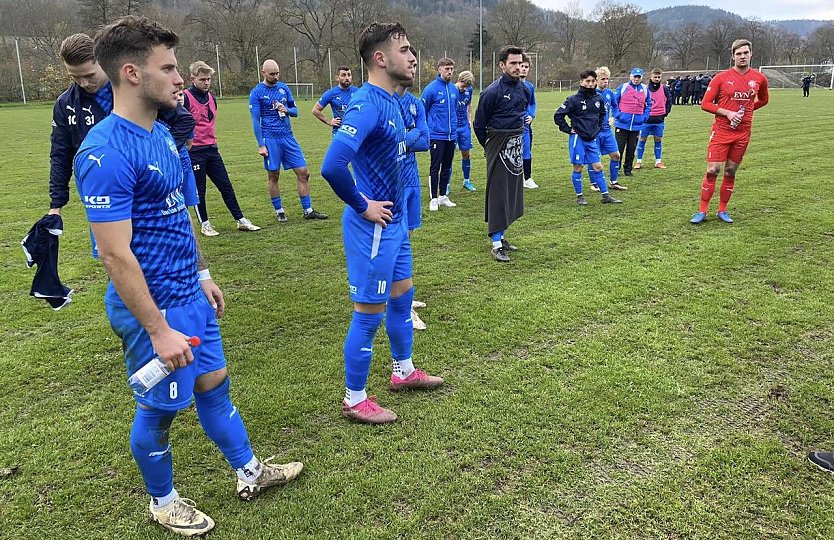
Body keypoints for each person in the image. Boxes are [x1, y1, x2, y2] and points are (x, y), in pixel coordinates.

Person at [73, 16, 302, 536]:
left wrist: (202, 272)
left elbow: (177, 214)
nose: (180, 78)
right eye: (169, 68)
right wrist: (157, 329)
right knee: (158, 411)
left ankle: (249, 472)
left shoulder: (159, 133)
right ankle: (163, 500)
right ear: (131, 73)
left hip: (188, 294)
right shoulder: (105, 149)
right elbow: (114, 256)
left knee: (215, 385)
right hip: (153, 308)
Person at [320, 21, 443, 424]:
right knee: (368, 313)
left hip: (395, 223)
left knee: (403, 296)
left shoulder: (393, 100)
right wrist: (363, 205)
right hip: (372, 226)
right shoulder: (367, 103)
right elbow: (333, 165)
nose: (411, 57)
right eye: (404, 49)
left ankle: (403, 371)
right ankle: (355, 399)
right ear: (380, 58)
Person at [690, 39, 769, 224]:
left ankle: (722, 210)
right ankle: (702, 211)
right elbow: (705, 104)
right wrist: (729, 113)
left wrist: (745, 113)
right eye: (738, 53)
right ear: (733, 56)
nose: (742, 56)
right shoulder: (721, 78)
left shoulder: (759, 78)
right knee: (713, 169)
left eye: (745, 53)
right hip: (721, 130)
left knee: (731, 170)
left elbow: (764, 100)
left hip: (742, 132)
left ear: (751, 54)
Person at [183, 61, 260, 236]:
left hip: (212, 149)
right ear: (192, 79)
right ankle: (205, 224)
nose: (206, 82)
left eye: (209, 79)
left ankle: (240, 219)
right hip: (194, 152)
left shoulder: (212, 97)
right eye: (202, 79)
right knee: (199, 191)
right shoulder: (185, 97)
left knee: (226, 186)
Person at [249, 59, 328, 222]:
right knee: (274, 175)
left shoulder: (284, 88)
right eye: (272, 74)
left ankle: (308, 210)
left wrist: (287, 110)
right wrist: (261, 145)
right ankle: (279, 211)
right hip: (270, 138)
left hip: (288, 136)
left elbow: (296, 111)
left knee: (303, 172)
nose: (276, 76)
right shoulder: (256, 92)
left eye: (277, 73)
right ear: (263, 73)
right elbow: (256, 121)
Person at [473, 45, 529, 263]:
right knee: (498, 192)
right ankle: (496, 243)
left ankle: (503, 235)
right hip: (497, 143)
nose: (517, 67)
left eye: (519, 63)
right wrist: (488, 146)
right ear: (502, 65)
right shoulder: (492, 92)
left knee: (511, 192)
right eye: (513, 63)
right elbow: (479, 124)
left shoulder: (523, 89)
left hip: (516, 143)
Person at [47, 33, 112, 217]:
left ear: (102, 61)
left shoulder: (132, 89)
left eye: (89, 75)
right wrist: (55, 206)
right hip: (97, 193)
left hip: (142, 186)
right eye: (75, 77)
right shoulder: (65, 104)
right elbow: (60, 153)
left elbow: (180, 121)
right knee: (106, 246)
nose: (84, 83)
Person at [396, 47, 431, 330]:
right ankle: (403, 304)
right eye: (409, 61)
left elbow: (425, 140)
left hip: (412, 180)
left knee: (407, 240)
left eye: (415, 64)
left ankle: (404, 296)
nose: (413, 67)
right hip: (390, 183)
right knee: (396, 244)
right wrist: (410, 136)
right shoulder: (383, 102)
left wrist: (405, 138)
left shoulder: (416, 103)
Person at [554, 70, 623, 206]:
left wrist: (596, 128)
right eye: (587, 81)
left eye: (593, 81)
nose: (590, 84)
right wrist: (568, 129)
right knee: (578, 167)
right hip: (578, 139)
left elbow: (602, 114)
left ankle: (605, 196)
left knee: (598, 167)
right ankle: (579, 197)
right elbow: (558, 115)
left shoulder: (598, 99)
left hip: (591, 139)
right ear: (581, 82)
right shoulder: (573, 99)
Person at [421, 57, 458, 211]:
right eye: (446, 69)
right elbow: (422, 110)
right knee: (435, 167)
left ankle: (443, 195)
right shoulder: (431, 89)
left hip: (451, 135)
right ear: (439, 69)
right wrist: (426, 130)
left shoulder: (454, 89)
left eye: (451, 69)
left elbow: (455, 109)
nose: (449, 72)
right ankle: (434, 198)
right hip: (436, 135)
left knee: (447, 167)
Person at [590, 66, 626, 192]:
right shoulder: (591, 94)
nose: (605, 81)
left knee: (616, 155)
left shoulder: (610, 93)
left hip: (607, 131)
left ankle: (613, 182)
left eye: (607, 79)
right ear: (596, 80)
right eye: (602, 79)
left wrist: (613, 118)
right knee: (594, 158)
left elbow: (616, 108)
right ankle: (594, 183)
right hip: (595, 132)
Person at [613, 67, 651, 177]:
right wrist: (618, 115)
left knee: (631, 149)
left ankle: (628, 169)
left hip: (636, 126)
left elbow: (649, 104)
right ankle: (616, 168)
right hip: (622, 124)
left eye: (639, 77)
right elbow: (614, 102)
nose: (636, 79)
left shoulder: (644, 89)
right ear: (631, 76)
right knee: (619, 149)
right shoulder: (623, 87)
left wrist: (645, 117)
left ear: (641, 78)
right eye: (635, 76)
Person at [635, 68, 672, 170]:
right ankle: (638, 162)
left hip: (659, 120)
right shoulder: (645, 88)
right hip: (646, 120)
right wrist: (643, 115)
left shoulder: (664, 89)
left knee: (658, 140)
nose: (656, 79)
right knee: (642, 139)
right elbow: (639, 102)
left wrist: (664, 114)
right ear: (650, 77)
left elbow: (669, 102)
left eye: (658, 77)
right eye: (655, 77)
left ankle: (658, 162)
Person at [312, 66, 358, 132]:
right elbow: (315, 110)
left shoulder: (358, 92)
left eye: (349, 75)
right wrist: (329, 121)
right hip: (339, 132)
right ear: (337, 78)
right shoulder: (331, 93)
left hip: (356, 131)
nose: (347, 78)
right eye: (343, 75)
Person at [453, 70, 477, 192]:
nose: (464, 89)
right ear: (459, 80)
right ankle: (445, 185)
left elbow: (469, 105)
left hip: (464, 126)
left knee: (466, 154)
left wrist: (469, 120)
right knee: (449, 156)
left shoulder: (469, 90)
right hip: (453, 127)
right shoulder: (452, 90)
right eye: (463, 86)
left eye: (467, 87)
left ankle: (466, 180)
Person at [519, 55, 538, 189]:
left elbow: (533, 103)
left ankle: (527, 178)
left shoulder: (530, 86)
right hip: (512, 125)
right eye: (522, 66)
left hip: (525, 126)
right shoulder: (511, 85)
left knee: (526, 151)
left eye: (526, 67)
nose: (524, 69)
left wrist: (531, 115)